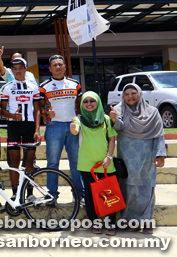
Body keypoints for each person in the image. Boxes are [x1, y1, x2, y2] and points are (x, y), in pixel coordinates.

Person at [111, 83, 167, 234]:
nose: (130, 97)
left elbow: (159, 135)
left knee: (147, 188)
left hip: (147, 157)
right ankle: (132, 222)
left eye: (133, 93)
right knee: (128, 188)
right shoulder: (118, 109)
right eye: (127, 94)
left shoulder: (153, 112)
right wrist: (114, 120)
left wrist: (160, 154)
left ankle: (147, 221)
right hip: (127, 157)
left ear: (140, 94)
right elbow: (118, 127)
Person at [39, 54, 85, 204]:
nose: (58, 67)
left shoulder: (75, 84)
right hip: (54, 126)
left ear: (65, 66)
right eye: (55, 65)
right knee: (52, 162)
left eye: (60, 64)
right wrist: (47, 113)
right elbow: (40, 108)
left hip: (73, 125)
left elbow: (79, 105)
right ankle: (52, 195)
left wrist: (79, 122)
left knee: (76, 162)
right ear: (50, 68)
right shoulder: (44, 86)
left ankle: (79, 194)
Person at [70, 92, 118, 235]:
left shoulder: (106, 119)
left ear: (97, 102)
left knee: (110, 194)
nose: (89, 103)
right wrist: (73, 128)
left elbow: (112, 139)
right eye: (86, 101)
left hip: (105, 162)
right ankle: (94, 223)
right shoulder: (79, 119)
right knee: (90, 195)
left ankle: (111, 225)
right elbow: (75, 130)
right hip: (86, 164)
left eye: (92, 101)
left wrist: (109, 157)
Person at [0, 58, 41, 201]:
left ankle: (30, 194)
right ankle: (15, 193)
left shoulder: (34, 87)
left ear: (26, 69)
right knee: (14, 161)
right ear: (12, 70)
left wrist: (37, 130)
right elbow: (1, 111)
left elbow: (37, 110)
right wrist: (12, 115)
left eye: (20, 68)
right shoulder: (7, 87)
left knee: (29, 162)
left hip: (29, 126)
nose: (18, 71)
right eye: (15, 68)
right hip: (14, 126)